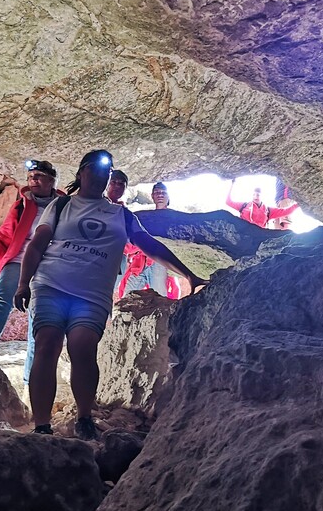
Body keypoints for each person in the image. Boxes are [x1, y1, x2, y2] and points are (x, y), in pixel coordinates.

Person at [14, 150, 208, 439]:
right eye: (96, 169)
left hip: (91, 293)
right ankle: (42, 425)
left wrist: (187, 274)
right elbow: (38, 243)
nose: (102, 175)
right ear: (81, 173)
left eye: (107, 171)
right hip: (51, 283)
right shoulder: (62, 204)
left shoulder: (121, 215)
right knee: (46, 344)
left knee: (82, 347)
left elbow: (149, 245)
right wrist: (23, 282)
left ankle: (84, 417)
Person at [0, 160, 63, 392]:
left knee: (38, 320)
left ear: (52, 181)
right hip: (18, 260)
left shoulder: (64, 206)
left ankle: (31, 385)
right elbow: (3, 238)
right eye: (31, 176)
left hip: (47, 266)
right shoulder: (22, 206)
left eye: (39, 176)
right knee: (3, 295)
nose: (33, 180)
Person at [120, 182, 169, 297]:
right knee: (127, 295)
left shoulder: (173, 217)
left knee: (160, 296)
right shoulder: (147, 217)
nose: (160, 195)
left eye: (163, 192)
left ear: (168, 196)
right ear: (152, 196)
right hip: (140, 261)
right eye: (157, 192)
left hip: (159, 261)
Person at [226, 177, 298, 228]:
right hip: (245, 234)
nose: (255, 197)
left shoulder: (267, 210)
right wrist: (232, 185)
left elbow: (286, 211)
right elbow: (228, 202)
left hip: (259, 237)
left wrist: (299, 205)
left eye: (258, 195)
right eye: (254, 195)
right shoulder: (244, 205)